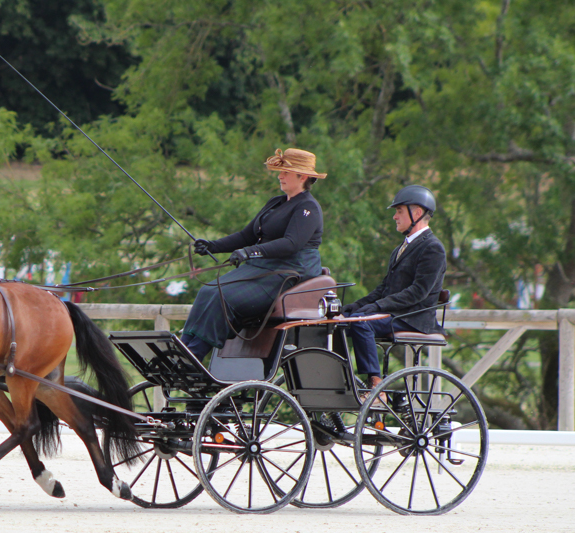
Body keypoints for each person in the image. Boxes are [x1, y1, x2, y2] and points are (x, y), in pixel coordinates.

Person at [179, 148, 327, 361]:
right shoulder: (276, 203)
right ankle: (183, 348)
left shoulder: (308, 208)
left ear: (302, 176)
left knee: (223, 297)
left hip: (289, 272)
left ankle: (194, 355)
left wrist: (250, 252)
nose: (280, 176)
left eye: (285, 172)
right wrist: (212, 246)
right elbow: (247, 235)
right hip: (263, 267)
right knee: (207, 290)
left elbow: (291, 243)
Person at [341, 185, 447, 388]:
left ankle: (376, 385)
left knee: (363, 323)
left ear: (417, 213)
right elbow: (383, 289)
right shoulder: (401, 249)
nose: (395, 217)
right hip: (396, 313)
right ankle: (342, 382)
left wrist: (377, 307)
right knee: (341, 322)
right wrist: (354, 307)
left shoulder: (433, 248)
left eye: (399, 211)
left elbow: (418, 292)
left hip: (413, 317)